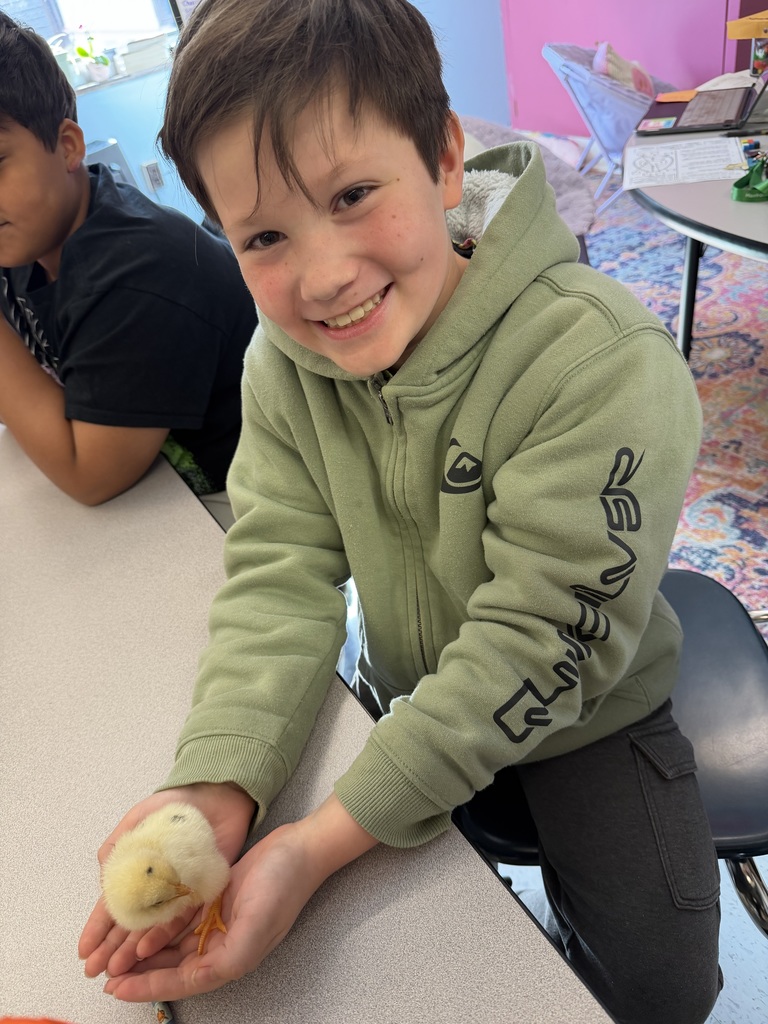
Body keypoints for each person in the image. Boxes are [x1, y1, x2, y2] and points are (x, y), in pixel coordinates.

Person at [78, 1, 722, 1021]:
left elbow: (534, 648)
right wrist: (216, 786)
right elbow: (277, 573)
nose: (323, 277)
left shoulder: (599, 364)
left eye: (354, 193)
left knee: (662, 988)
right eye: (264, 236)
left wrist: (316, 845)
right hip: (411, 690)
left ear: (446, 155)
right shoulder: (281, 367)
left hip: (586, 715)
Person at [0, 13, 257, 509]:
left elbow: (91, 477)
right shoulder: (20, 239)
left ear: (68, 145)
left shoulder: (137, 272)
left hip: (242, 499)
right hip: (160, 491)